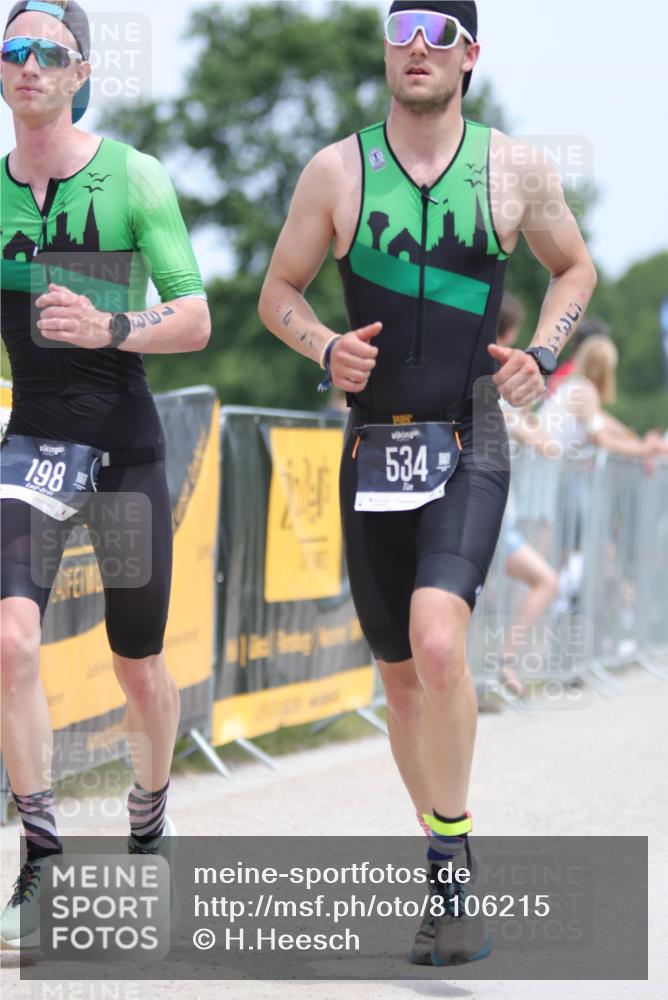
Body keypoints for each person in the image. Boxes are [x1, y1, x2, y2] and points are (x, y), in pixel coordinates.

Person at [259, 0, 597, 967]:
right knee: (402, 686)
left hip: (473, 433)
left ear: (469, 54)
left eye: (438, 32)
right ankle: (444, 854)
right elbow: (277, 292)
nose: (417, 45)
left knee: (439, 640)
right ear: (384, 45)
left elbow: (574, 270)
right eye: (401, 26)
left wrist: (541, 352)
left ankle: (449, 869)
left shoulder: (514, 168)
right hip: (372, 446)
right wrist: (325, 346)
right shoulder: (336, 171)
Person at [0, 0, 210, 949]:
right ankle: (40, 859)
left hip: (123, 444)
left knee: (139, 663)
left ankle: (151, 826)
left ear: (81, 73)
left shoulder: (135, 178)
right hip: (31, 442)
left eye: (50, 53)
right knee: (10, 642)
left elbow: (196, 317)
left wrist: (111, 326)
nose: (30, 66)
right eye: (14, 50)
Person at [494, 293, 559, 697]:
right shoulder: (494, 388)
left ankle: (497, 667)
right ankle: (503, 663)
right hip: (493, 519)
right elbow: (542, 442)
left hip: (500, 518)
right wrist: (533, 431)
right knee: (545, 581)